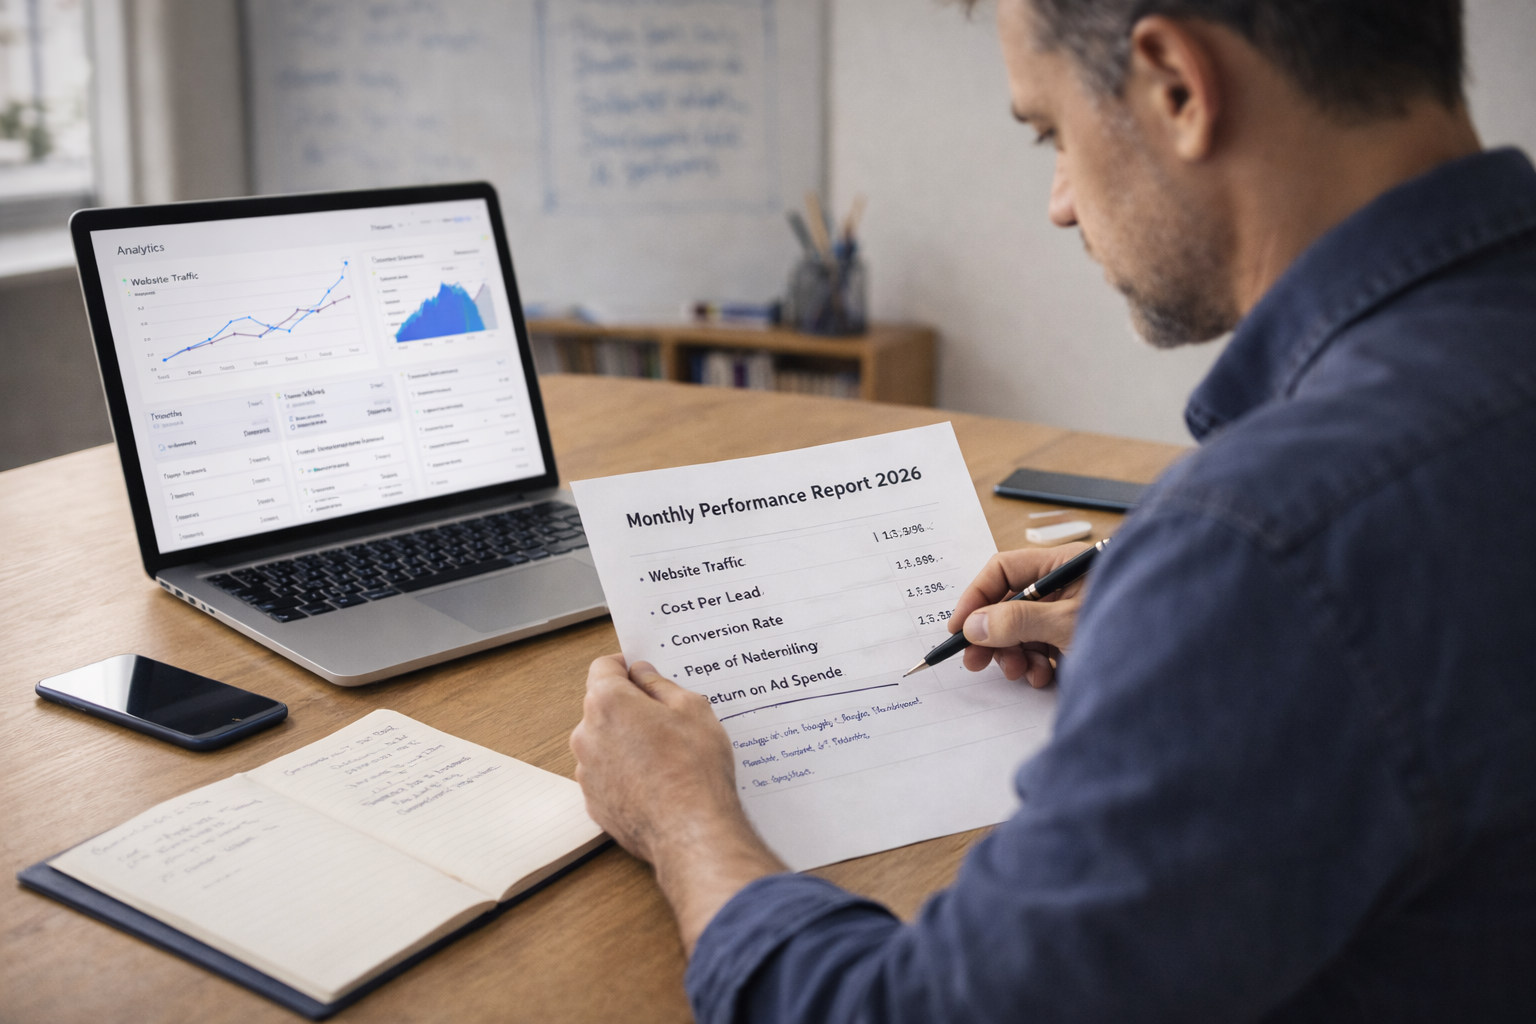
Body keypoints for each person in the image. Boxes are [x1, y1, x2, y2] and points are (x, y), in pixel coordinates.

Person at [569, 0, 1536, 1019]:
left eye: (1052, 134)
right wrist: (1181, 632)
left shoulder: (1267, 547)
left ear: (1175, 87)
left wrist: (682, 816)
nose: (1061, 203)